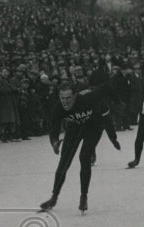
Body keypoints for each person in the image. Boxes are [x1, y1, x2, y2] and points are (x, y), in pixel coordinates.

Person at [39, 79, 119, 214]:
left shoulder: (89, 98)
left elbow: (106, 86)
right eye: (62, 98)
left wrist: (119, 102)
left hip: (94, 127)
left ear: (75, 96)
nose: (65, 102)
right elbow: (54, 129)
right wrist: (54, 142)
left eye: (68, 98)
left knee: (84, 157)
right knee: (64, 162)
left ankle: (83, 197)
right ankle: (54, 197)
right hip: (74, 129)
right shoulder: (58, 108)